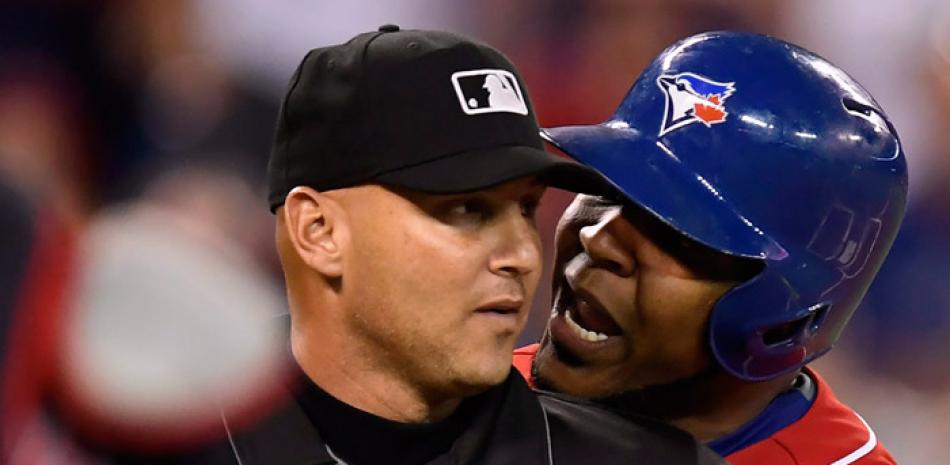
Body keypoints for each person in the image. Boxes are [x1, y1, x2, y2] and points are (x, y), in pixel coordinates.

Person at [223, 25, 724, 465]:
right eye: (467, 209)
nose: (525, 256)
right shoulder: (177, 447)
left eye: (527, 208)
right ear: (319, 231)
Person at [513, 32, 906, 464]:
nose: (598, 237)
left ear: (781, 321)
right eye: (606, 189)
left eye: (675, 231)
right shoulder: (465, 397)